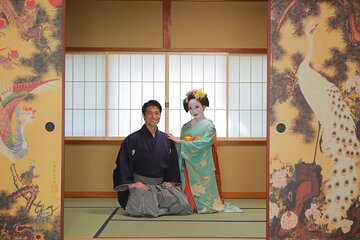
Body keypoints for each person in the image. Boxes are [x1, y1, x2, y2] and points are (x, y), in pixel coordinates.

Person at [113, 100, 193, 217]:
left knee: (183, 204)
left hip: (160, 185)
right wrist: (131, 185)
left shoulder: (166, 140)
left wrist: (171, 181)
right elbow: (123, 165)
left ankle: (156, 208)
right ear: (144, 116)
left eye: (157, 113)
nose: (154, 116)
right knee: (144, 202)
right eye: (150, 113)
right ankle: (158, 208)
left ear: (160, 115)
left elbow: (172, 164)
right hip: (140, 185)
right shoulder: (132, 139)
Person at [167, 89, 226, 214]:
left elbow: (205, 143)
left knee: (204, 188)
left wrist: (181, 142)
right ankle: (190, 205)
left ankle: (206, 206)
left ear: (204, 106)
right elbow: (181, 145)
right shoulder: (185, 126)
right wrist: (174, 142)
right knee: (189, 189)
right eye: (190, 108)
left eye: (197, 107)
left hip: (203, 162)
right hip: (188, 162)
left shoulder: (209, 125)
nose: (194, 111)